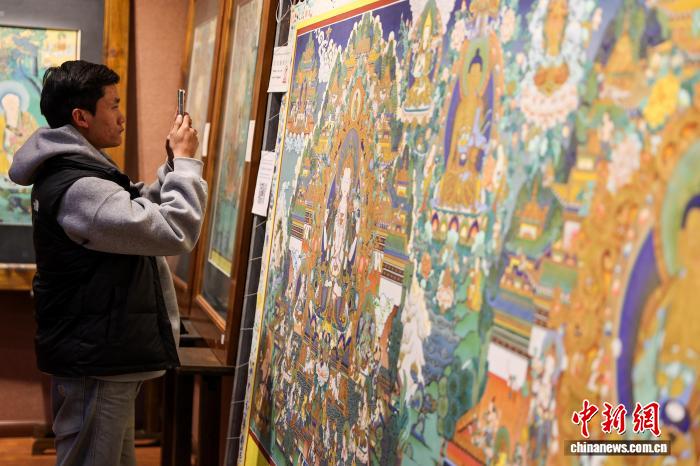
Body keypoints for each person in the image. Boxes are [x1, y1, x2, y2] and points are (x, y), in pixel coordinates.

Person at [8, 60, 207, 466]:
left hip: (102, 354)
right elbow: (174, 230)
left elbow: (137, 212)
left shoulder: (78, 170)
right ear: (81, 117)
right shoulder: (81, 187)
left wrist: (173, 165)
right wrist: (187, 165)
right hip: (97, 360)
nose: (121, 116)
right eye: (113, 105)